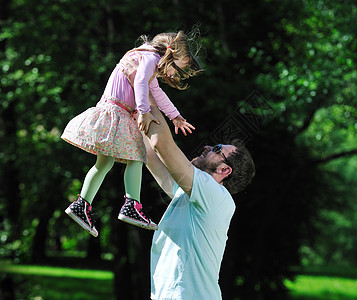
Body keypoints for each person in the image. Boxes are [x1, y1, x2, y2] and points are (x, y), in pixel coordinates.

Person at [61, 31, 202, 237]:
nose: (172, 75)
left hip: (112, 111)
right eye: (175, 69)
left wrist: (175, 116)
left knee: (104, 164)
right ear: (169, 55)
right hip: (118, 113)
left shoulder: (144, 59)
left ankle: (81, 204)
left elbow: (157, 92)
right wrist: (144, 112)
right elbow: (141, 83)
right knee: (136, 157)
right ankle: (131, 205)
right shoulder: (150, 58)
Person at [143, 95, 256, 299]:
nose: (207, 147)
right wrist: (130, 103)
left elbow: (161, 144)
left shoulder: (216, 196)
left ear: (224, 169)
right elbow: (149, 152)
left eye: (217, 150)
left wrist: (147, 94)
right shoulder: (191, 195)